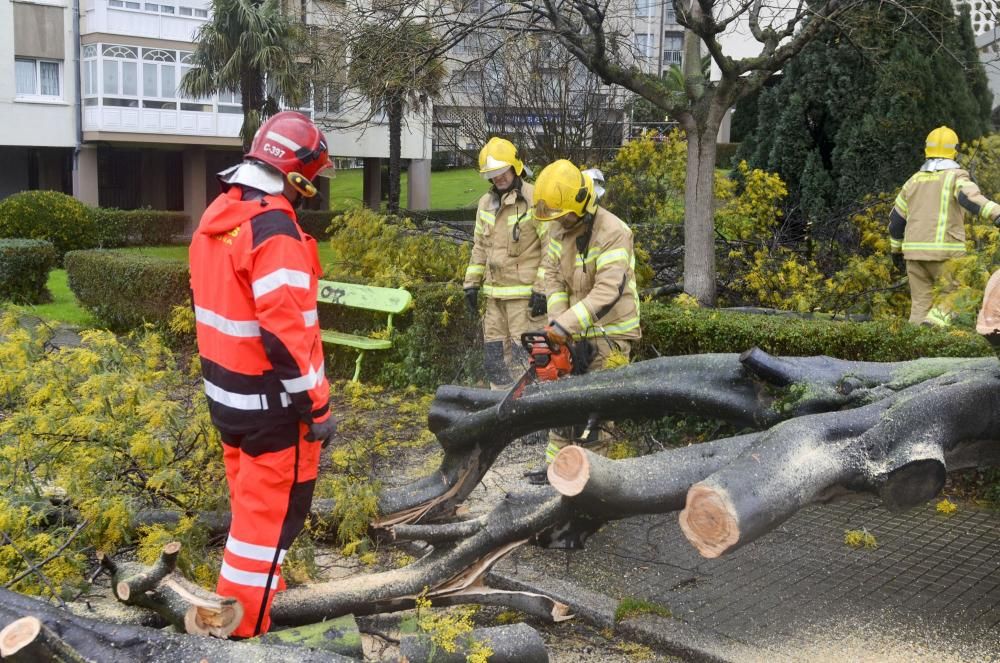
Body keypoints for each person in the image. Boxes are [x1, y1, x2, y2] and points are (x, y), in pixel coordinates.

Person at [189, 111, 337, 638]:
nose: (312, 192)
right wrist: (316, 406)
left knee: (250, 519)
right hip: (275, 412)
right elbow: (286, 333)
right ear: (297, 177)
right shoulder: (274, 230)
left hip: (229, 402)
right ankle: (243, 634)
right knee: (267, 528)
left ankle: (254, 602)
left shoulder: (219, 217)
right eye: (312, 182)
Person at [533, 159, 640, 464]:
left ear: (581, 204)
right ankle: (555, 467)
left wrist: (566, 325)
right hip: (573, 328)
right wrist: (556, 321)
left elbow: (608, 291)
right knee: (562, 402)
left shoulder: (614, 231)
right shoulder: (557, 230)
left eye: (563, 215)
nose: (559, 221)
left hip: (610, 332)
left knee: (595, 411)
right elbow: (552, 279)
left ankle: (592, 478)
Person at [889, 125, 1000, 326]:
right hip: (946, 254)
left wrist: (895, 251)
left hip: (914, 255)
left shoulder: (912, 181)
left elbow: (896, 221)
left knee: (920, 305)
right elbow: (970, 199)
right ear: (954, 151)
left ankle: (915, 349)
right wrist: (997, 214)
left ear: (926, 149)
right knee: (957, 295)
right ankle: (934, 325)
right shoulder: (955, 177)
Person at [463, 137, 547, 388]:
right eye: (492, 174)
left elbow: (551, 248)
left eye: (502, 172)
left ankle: (533, 420)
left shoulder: (534, 199)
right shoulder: (485, 204)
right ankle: (500, 415)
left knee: (528, 360)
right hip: (494, 298)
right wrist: (471, 283)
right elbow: (480, 246)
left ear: (515, 167)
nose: (498, 178)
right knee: (495, 361)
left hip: (525, 299)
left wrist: (542, 289)